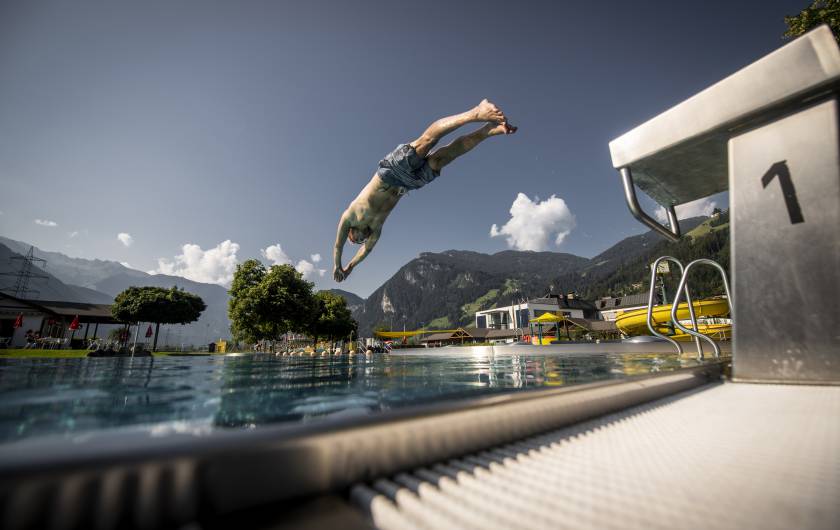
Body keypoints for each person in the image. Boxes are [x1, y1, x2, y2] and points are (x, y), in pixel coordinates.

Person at [333, 99, 516, 282]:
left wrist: (337, 265)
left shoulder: (350, 216)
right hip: (409, 184)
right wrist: (350, 268)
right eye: (359, 242)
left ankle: (476, 112)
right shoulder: (375, 230)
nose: (360, 242)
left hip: (392, 171)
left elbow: (337, 245)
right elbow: (366, 251)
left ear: (351, 231)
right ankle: (489, 130)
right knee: (444, 158)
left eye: (355, 240)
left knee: (427, 141)